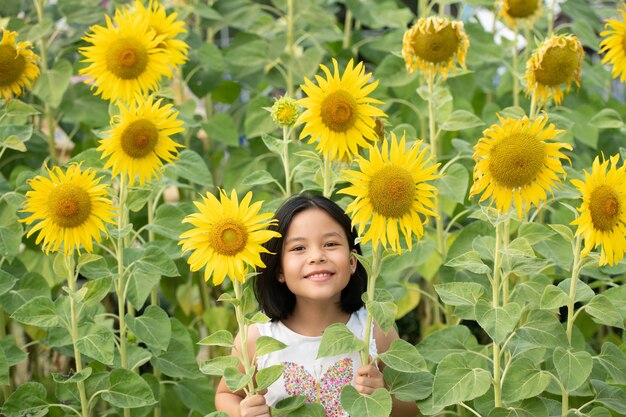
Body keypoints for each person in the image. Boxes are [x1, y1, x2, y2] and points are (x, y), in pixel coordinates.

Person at [215, 194, 419, 417]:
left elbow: (413, 403)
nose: (316, 256)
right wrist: (241, 412)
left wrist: (382, 395)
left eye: (330, 244)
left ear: (353, 262)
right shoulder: (257, 338)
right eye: (299, 248)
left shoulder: (373, 330)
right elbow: (226, 395)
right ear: (279, 270)